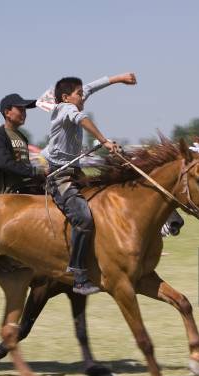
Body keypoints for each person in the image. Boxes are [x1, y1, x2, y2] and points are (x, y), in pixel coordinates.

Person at [42, 73, 136, 295]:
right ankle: (78, 275)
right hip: (60, 175)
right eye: (79, 94)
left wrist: (119, 78)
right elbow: (81, 118)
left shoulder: (73, 100)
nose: (83, 96)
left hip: (75, 171)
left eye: (82, 93)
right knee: (83, 218)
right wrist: (104, 141)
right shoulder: (65, 109)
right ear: (65, 97)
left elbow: (92, 86)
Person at [0, 94, 46, 194]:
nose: (24, 113)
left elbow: (25, 164)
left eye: (25, 110)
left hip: (27, 187)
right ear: (7, 113)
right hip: (12, 193)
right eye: (20, 110)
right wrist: (35, 172)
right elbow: (4, 163)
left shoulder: (21, 136)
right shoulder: (0, 136)